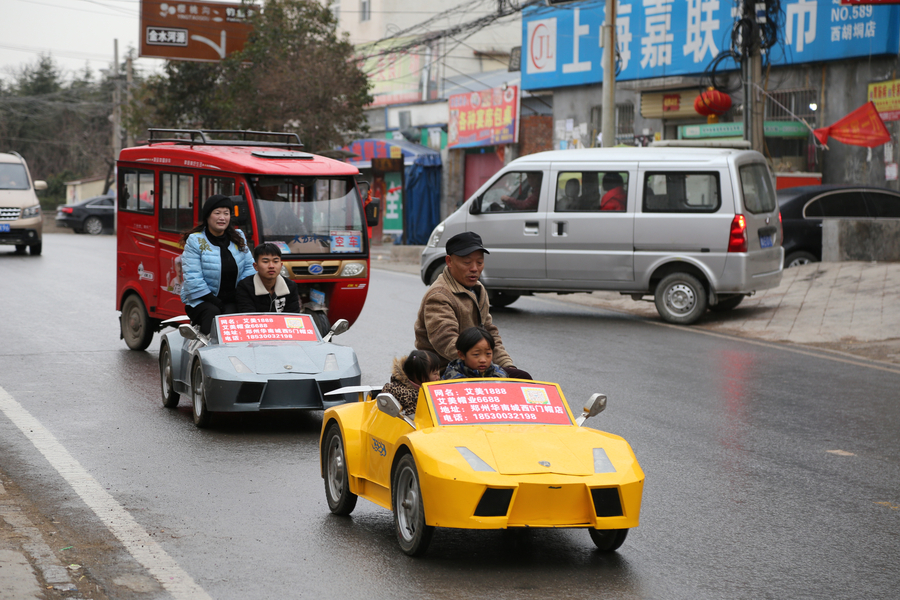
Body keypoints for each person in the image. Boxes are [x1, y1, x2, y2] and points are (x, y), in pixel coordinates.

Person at [414, 231, 530, 378]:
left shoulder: (478, 289)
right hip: (443, 371)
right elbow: (446, 341)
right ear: (449, 261)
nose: (474, 268)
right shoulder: (439, 295)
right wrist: (480, 362)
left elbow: (489, 333)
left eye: (479, 262)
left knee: (521, 378)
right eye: (467, 263)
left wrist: (506, 365)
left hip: (476, 364)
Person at [180, 195, 255, 334]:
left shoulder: (238, 236)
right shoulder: (196, 240)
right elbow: (192, 277)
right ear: (208, 216)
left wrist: (241, 294)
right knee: (213, 313)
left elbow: (249, 268)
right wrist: (214, 301)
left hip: (232, 298)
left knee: (243, 314)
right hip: (202, 300)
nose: (222, 217)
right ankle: (205, 351)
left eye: (226, 213)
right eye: (217, 213)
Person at [235, 243, 301, 314]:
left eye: (275, 261)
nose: (271, 266)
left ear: (281, 265)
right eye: (265, 262)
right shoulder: (245, 286)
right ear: (255, 266)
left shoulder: (290, 286)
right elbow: (248, 317)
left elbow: (293, 316)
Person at [381, 350, 441, 416]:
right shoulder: (401, 393)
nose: (438, 377)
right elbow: (412, 417)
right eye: (435, 373)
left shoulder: (434, 388)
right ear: (420, 375)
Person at [442, 326, 508, 380]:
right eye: (476, 354)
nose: (483, 360)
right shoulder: (452, 378)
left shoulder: (499, 373)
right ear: (461, 355)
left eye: (488, 354)